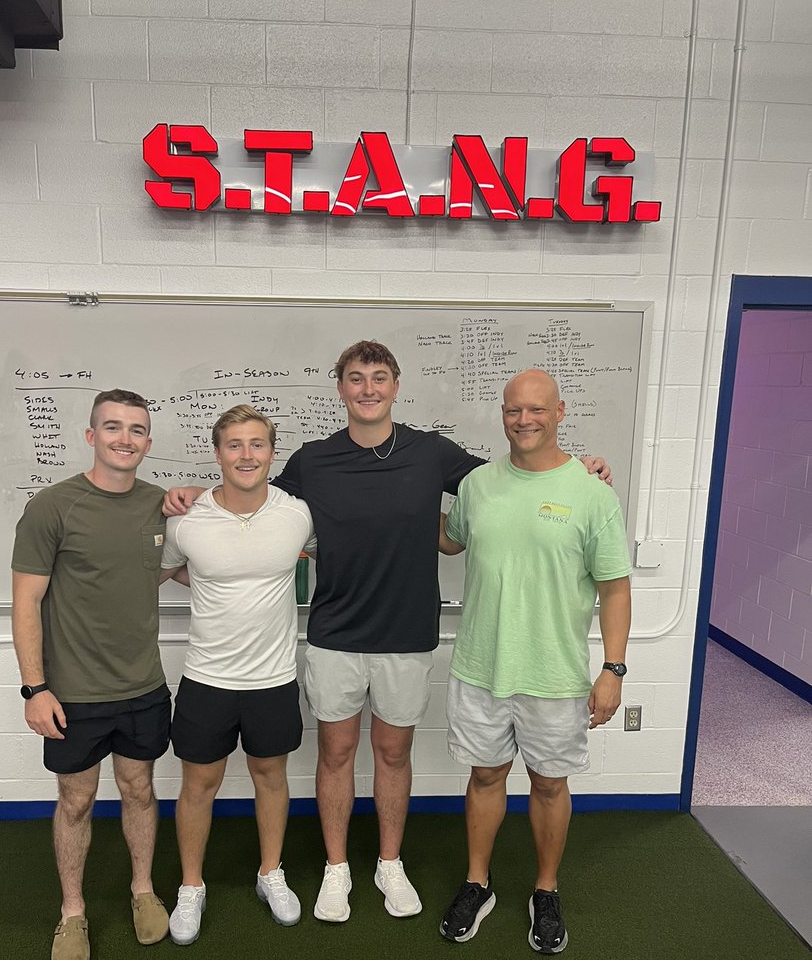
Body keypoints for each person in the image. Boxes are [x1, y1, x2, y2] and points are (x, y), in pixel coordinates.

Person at [165, 342, 610, 925]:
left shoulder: (432, 453)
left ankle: (389, 863)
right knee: (336, 753)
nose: (368, 388)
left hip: (407, 633)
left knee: (393, 754)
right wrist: (190, 496)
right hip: (334, 634)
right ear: (341, 388)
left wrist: (579, 467)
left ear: (396, 386)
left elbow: (515, 474)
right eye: (356, 378)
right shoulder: (312, 461)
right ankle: (336, 868)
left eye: (379, 377)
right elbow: (252, 497)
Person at [437, 368, 632, 954]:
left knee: (549, 784)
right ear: (502, 414)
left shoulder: (592, 493)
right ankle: (478, 883)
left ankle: (546, 889)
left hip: (554, 675)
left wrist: (613, 669)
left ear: (560, 412)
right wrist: (389, 501)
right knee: (485, 775)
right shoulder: (477, 485)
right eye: (513, 410)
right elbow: (450, 539)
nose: (524, 420)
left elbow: (614, 588)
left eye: (537, 409)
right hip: (480, 668)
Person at [11, 389, 171, 960]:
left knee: (139, 790)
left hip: (144, 687)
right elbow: (25, 602)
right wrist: (35, 689)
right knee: (76, 800)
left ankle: (142, 890)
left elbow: (182, 561)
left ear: (148, 441)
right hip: (72, 694)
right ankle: (73, 910)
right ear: (91, 436)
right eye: (113, 427)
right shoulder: (52, 507)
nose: (125, 438)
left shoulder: (159, 506)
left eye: (136, 429)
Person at [160, 405, 315, 944]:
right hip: (207, 678)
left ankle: (270, 872)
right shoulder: (187, 520)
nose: (247, 455)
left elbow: (326, 554)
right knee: (198, 784)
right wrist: (209, 581)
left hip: (273, 678)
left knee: (271, 776)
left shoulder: (298, 515)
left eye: (257, 444)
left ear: (272, 452)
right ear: (218, 453)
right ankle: (191, 886)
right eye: (235, 445)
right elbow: (164, 570)